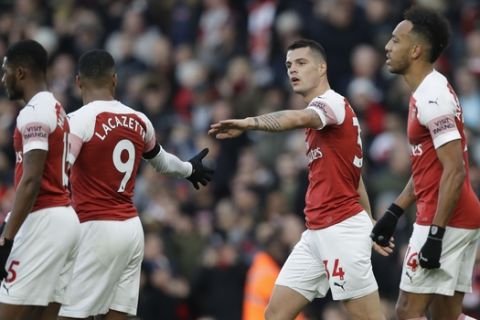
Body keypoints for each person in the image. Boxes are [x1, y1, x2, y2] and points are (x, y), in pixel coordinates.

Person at [209, 38, 391, 320]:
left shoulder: (329, 104)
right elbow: (354, 179)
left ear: (322, 67)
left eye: (301, 63)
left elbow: (296, 119)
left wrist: (250, 122)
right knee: (275, 314)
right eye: (289, 65)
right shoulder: (327, 119)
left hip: (341, 229)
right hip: (317, 232)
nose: (293, 70)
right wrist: (370, 224)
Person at [57, 49, 213, 320]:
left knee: (70, 314)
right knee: (119, 314)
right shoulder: (139, 120)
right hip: (131, 229)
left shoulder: (77, 121)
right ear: (115, 80)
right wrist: (189, 169)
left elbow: (59, 172)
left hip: (94, 226)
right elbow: (162, 161)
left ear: (78, 81)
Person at [370, 6, 480, 320]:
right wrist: (394, 212)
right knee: (446, 316)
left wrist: (436, 234)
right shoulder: (426, 92)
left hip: (448, 217)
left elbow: (456, 170)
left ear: (416, 49)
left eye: (395, 41)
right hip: (455, 215)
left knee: (407, 312)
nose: (388, 48)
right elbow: (427, 169)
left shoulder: (433, 97)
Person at [0, 40, 80, 320]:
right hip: (65, 219)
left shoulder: (34, 112)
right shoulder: (57, 110)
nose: (3, 79)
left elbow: (32, 180)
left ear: (20, 72)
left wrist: (7, 239)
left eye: (5, 71)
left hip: (43, 220)